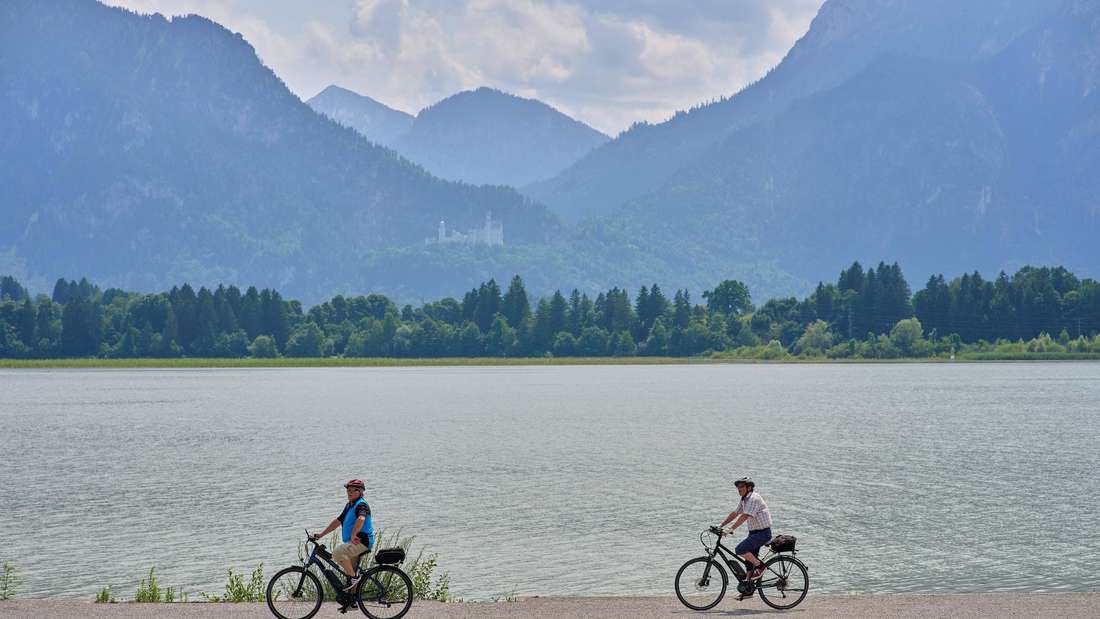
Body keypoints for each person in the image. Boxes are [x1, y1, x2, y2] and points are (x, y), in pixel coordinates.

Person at [311, 479, 376, 591]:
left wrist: (353, 534)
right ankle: (351, 602)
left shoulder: (361, 505)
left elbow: (361, 518)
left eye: (352, 490)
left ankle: (354, 578)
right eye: (348, 490)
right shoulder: (350, 505)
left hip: (362, 542)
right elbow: (337, 521)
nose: (349, 492)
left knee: (337, 552)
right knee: (350, 573)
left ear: (360, 491)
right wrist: (321, 535)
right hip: (354, 542)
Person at [718, 477, 772, 581]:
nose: (739, 488)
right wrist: (720, 525)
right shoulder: (744, 499)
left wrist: (729, 529)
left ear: (749, 487)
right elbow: (735, 513)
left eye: (741, 486)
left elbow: (744, 516)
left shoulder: (753, 498)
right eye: (737, 486)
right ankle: (748, 589)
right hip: (754, 533)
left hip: (763, 533)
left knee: (740, 549)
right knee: (749, 562)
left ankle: (760, 567)